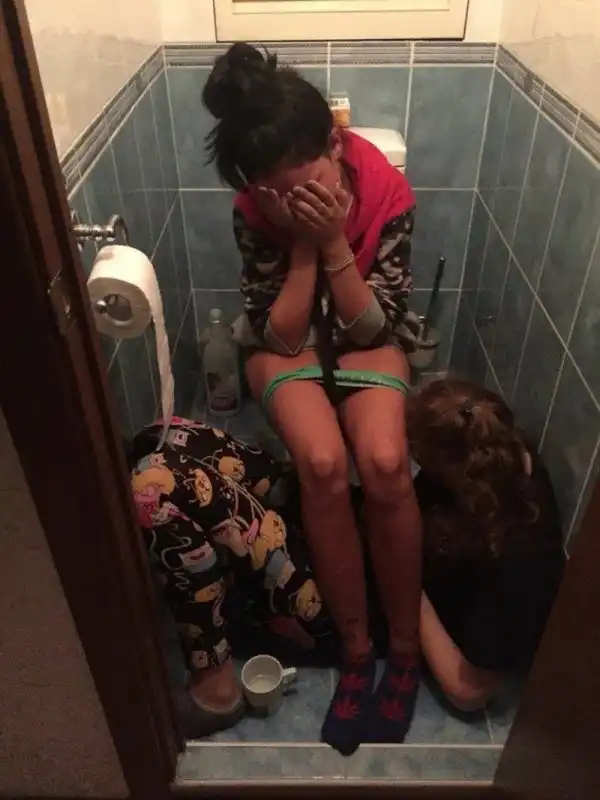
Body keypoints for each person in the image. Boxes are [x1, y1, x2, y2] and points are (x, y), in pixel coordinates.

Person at [202, 42, 422, 754]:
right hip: (287, 332)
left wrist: (334, 242)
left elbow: (372, 327)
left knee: (384, 462)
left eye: (312, 184)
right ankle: (357, 651)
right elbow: (284, 335)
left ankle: (406, 650)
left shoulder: (386, 190)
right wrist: (303, 243)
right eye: (280, 194)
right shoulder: (256, 209)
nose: (298, 200)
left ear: (334, 142)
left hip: (364, 325)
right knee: (323, 464)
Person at [408, 379, 565, 711]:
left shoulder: (520, 556)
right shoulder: (503, 448)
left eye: (420, 457)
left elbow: (469, 692)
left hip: (448, 612)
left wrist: (403, 585)